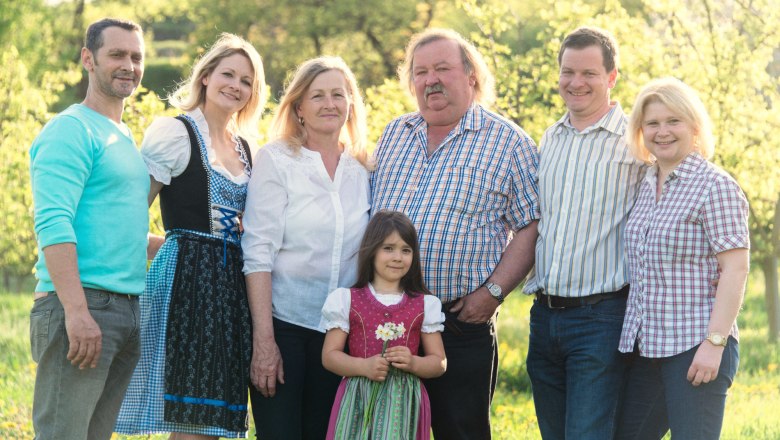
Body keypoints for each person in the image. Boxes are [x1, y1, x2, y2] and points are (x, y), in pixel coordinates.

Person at [371, 28, 540, 439]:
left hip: (459, 324)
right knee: (385, 432)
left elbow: (532, 224)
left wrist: (493, 293)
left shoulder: (509, 143)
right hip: (387, 321)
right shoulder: (395, 133)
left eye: (443, 69)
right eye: (421, 72)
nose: (431, 80)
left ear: (471, 76)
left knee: (460, 433)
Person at [114, 34, 266, 438]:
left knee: (213, 415)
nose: (236, 86)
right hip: (188, 285)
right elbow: (131, 214)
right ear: (206, 77)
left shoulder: (247, 148)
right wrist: (172, 248)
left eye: (246, 80)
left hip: (233, 289)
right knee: (190, 412)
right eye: (228, 74)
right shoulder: (176, 133)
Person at [522, 26, 648, 439]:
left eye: (589, 73)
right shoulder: (550, 137)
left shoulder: (637, 141)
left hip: (601, 318)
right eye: (568, 72)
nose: (576, 83)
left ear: (612, 77)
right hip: (543, 317)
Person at [28, 18, 149, 440]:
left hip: (125, 310)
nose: (128, 65)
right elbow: (53, 222)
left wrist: (180, 245)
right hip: (82, 305)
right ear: (88, 59)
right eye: (116, 54)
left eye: (136, 57)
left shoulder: (122, 135)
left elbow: (117, 230)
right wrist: (77, 312)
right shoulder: (71, 129)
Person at [241, 56, 370, 440]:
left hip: (340, 333)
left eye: (338, 95)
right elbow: (257, 252)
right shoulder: (277, 159)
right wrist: (264, 341)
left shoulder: (363, 167)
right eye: (317, 96)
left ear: (350, 103)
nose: (329, 104)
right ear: (298, 107)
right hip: (284, 326)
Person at [615, 78, 749, 440]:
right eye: (652, 123)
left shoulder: (715, 186)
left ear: (694, 126)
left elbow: (735, 268)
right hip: (648, 348)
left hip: (696, 344)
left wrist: (714, 344)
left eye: (673, 121)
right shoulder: (645, 184)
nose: (662, 132)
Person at [321, 210, 447, 439]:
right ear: (371, 251)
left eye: (406, 250)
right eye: (388, 248)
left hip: (402, 404)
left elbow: (439, 362)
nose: (398, 257)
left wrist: (414, 363)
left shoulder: (424, 304)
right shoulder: (347, 299)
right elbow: (329, 356)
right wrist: (363, 367)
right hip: (359, 399)